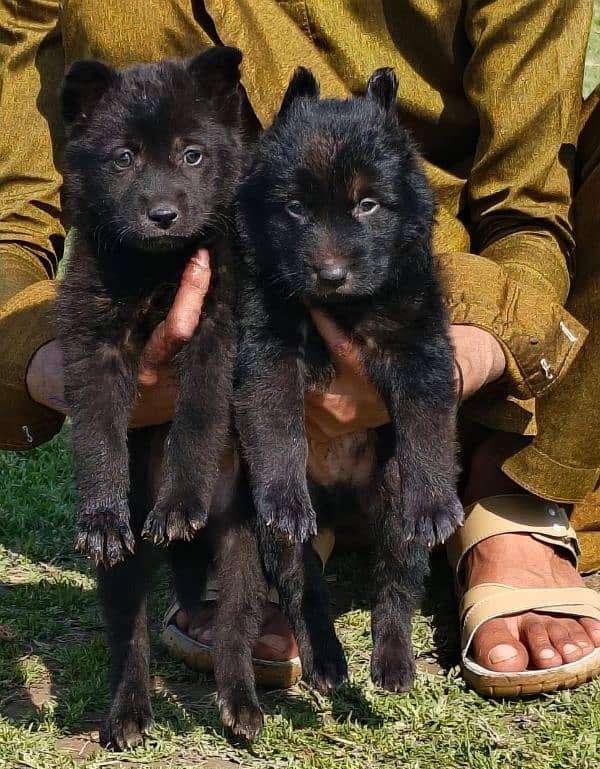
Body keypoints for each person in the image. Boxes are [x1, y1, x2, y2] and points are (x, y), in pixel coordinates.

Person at [2, 0, 600, 698]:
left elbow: (527, 205)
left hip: (443, 316)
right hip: (228, 371)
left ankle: (511, 490)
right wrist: (46, 355)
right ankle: (260, 511)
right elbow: (14, 215)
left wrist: (468, 352)